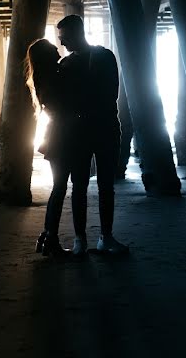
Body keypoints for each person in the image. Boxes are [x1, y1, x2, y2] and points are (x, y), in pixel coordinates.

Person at [56, 14, 129, 255]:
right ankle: (83, 239)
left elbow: (111, 94)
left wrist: (79, 102)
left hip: (97, 128)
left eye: (64, 38)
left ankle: (100, 238)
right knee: (81, 185)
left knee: (103, 184)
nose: (63, 44)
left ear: (78, 34)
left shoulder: (97, 58)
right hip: (95, 127)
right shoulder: (99, 58)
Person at [26, 38, 75, 258]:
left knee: (59, 187)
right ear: (48, 55)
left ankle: (46, 236)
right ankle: (50, 238)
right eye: (54, 48)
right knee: (60, 187)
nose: (59, 48)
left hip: (54, 135)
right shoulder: (54, 77)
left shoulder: (43, 77)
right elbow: (67, 104)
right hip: (61, 137)